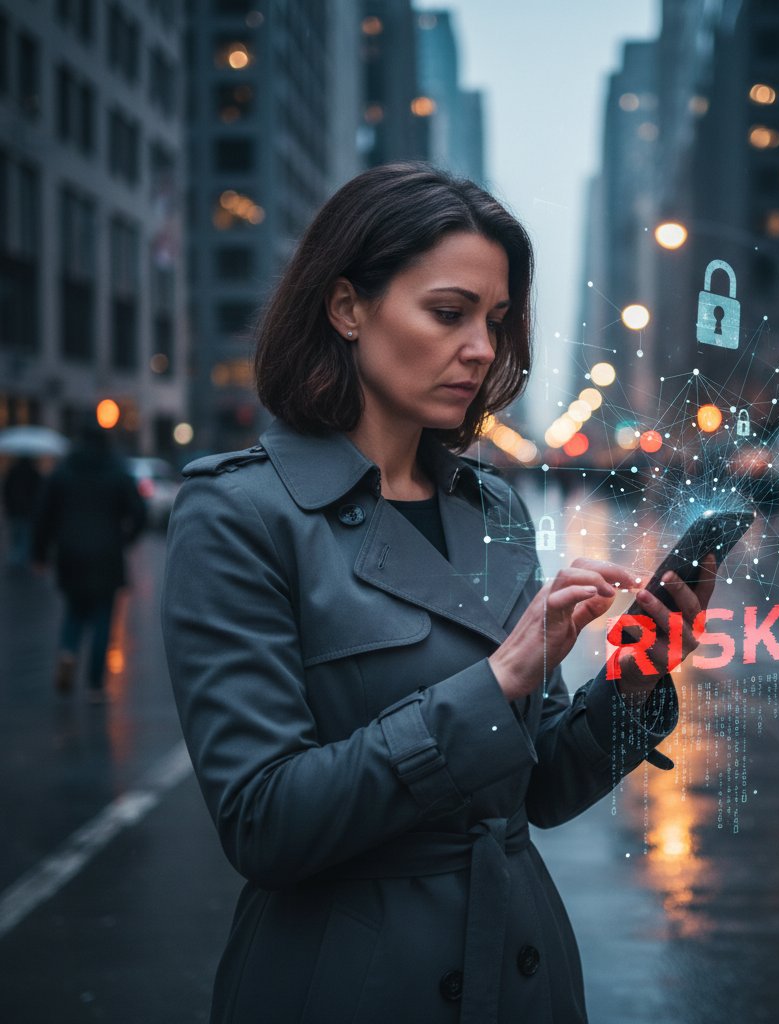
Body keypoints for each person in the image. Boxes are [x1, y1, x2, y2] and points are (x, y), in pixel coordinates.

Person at [161, 163, 715, 1024]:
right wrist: (499, 681)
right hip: (347, 979)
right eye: (449, 313)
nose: (483, 350)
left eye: (495, 322)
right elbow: (265, 822)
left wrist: (635, 677)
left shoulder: (484, 502)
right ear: (347, 307)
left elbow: (541, 790)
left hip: (524, 972)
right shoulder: (240, 512)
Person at [33, 424, 146, 701]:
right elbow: (139, 511)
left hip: (70, 551)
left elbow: (44, 515)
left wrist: (39, 553)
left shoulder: (62, 472)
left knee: (73, 610)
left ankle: (68, 652)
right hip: (107, 551)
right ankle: (95, 683)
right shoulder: (116, 472)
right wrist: (126, 538)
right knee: (102, 617)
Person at [3, 455, 43, 568]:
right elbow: (40, 492)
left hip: (14, 510)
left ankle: (15, 558)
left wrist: (9, 505)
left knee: (16, 535)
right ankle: (21, 559)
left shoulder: (13, 472)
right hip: (28, 511)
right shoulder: (35, 473)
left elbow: (7, 490)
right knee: (25, 536)